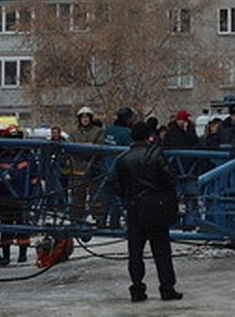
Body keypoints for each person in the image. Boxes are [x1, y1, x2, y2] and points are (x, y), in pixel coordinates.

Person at [110, 122, 182, 303]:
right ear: (148, 136)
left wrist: (129, 197)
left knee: (135, 253)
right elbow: (170, 179)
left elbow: (116, 185)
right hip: (156, 207)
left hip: (134, 209)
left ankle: (137, 289)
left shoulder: (122, 158)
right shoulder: (156, 154)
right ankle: (167, 288)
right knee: (162, 251)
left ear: (132, 137)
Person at [69, 106, 105, 224]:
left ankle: (98, 218)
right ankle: (77, 218)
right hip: (78, 170)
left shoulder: (98, 131)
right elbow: (71, 148)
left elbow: (99, 147)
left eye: (87, 117)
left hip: (94, 169)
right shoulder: (74, 133)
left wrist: (85, 147)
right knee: (78, 197)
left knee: (96, 196)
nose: (85, 119)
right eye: (82, 117)